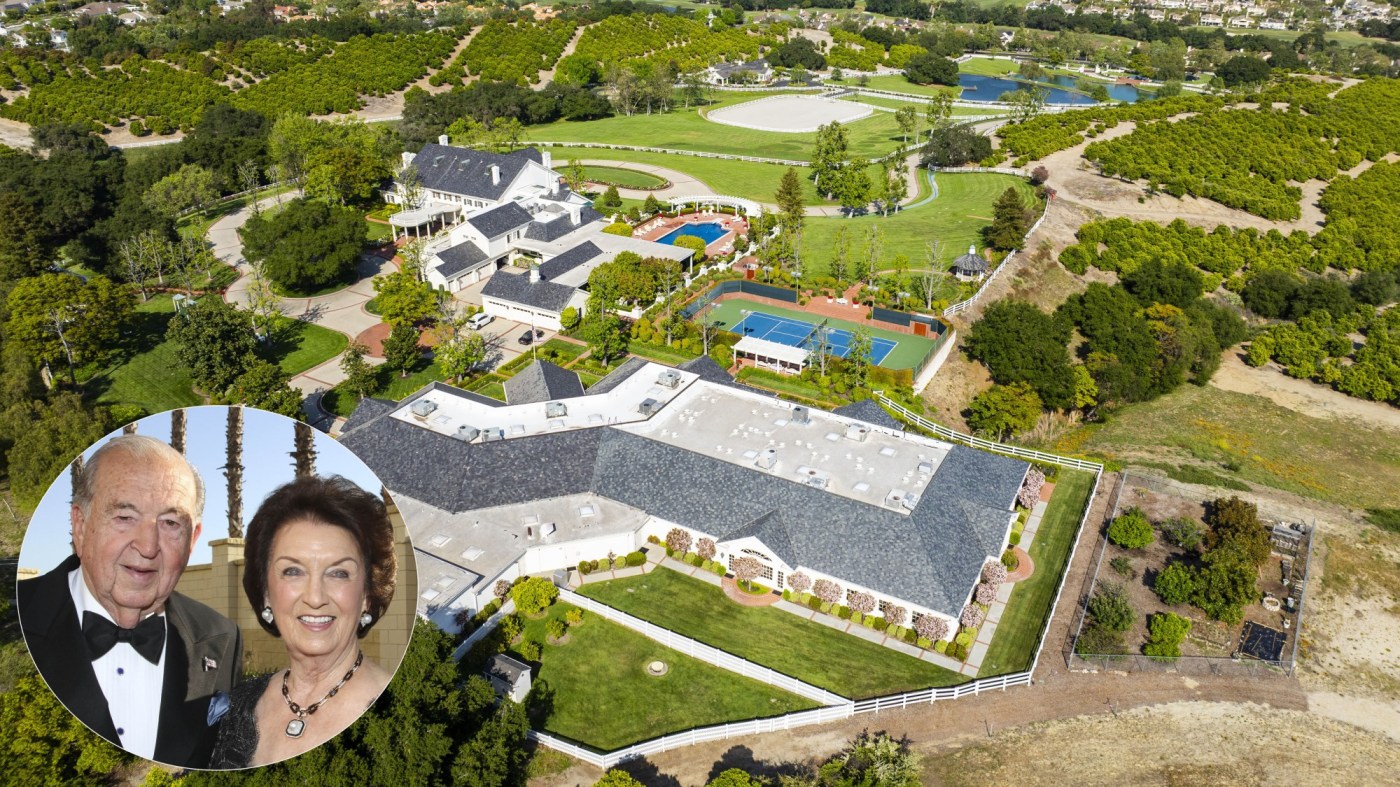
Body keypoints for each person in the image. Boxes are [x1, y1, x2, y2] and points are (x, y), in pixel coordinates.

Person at [18, 435, 243, 768]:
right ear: (80, 526)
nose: (148, 546)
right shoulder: (19, 614)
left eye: (170, 523)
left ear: (192, 540)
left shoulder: (222, 636)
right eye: (124, 517)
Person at [210, 475, 397, 768]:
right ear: (266, 592)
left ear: (367, 595)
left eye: (338, 573)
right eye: (293, 571)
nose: (315, 597)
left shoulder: (399, 716)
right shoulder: (229, 707)